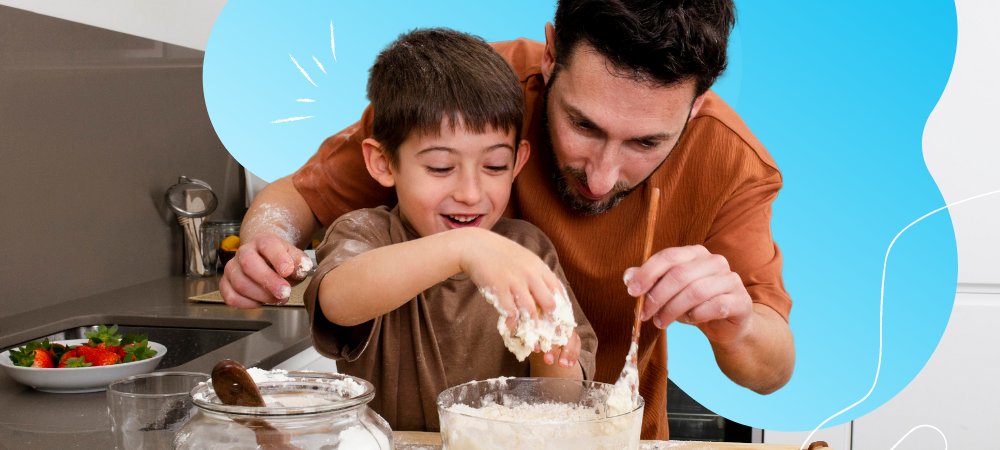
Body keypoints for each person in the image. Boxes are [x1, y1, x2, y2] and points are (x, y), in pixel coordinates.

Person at [221, 0, 795, 439]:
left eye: (646, 141)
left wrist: (738, 325)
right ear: (551, 57)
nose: (600, 176)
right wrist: (263, 244)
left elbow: (772, 370)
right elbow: (296, 199)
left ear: (696, 104)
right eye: (584, 125)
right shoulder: (466, 99)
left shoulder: (732, 162)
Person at [303, 28, 597, 432]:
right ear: (384, 163)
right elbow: (336, 301)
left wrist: (551, 350)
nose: (470, 193)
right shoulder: (366, 234)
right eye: (441, 167)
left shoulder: (528, 250)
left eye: (494, 166)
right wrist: (466, 246)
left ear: (517, 162)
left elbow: (562, 403)